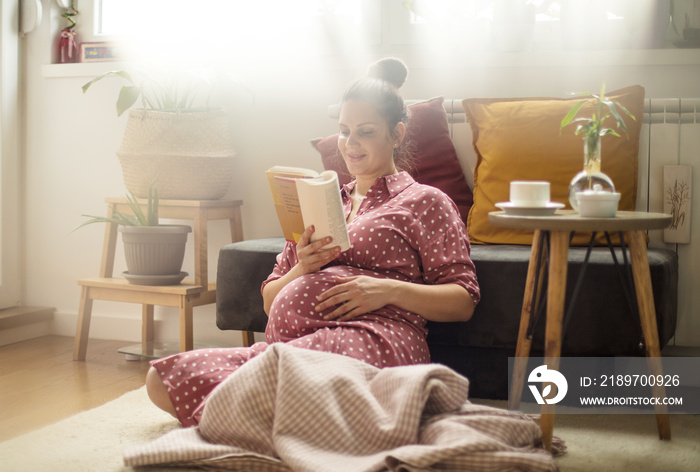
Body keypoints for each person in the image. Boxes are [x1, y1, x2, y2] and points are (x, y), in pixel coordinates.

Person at [146, 57, 480, 427]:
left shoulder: (425, 201)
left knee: (289, 382)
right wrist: (304, 266)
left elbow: (462, 300)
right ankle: (304, 421)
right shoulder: (320, 202)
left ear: (397, 134)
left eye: (365, 131)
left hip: (373, 341)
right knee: (163, 380)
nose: (350, 144)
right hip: (288, 351)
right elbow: (272, 302)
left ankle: (273, 417)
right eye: (344, 130)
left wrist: (384, 290)